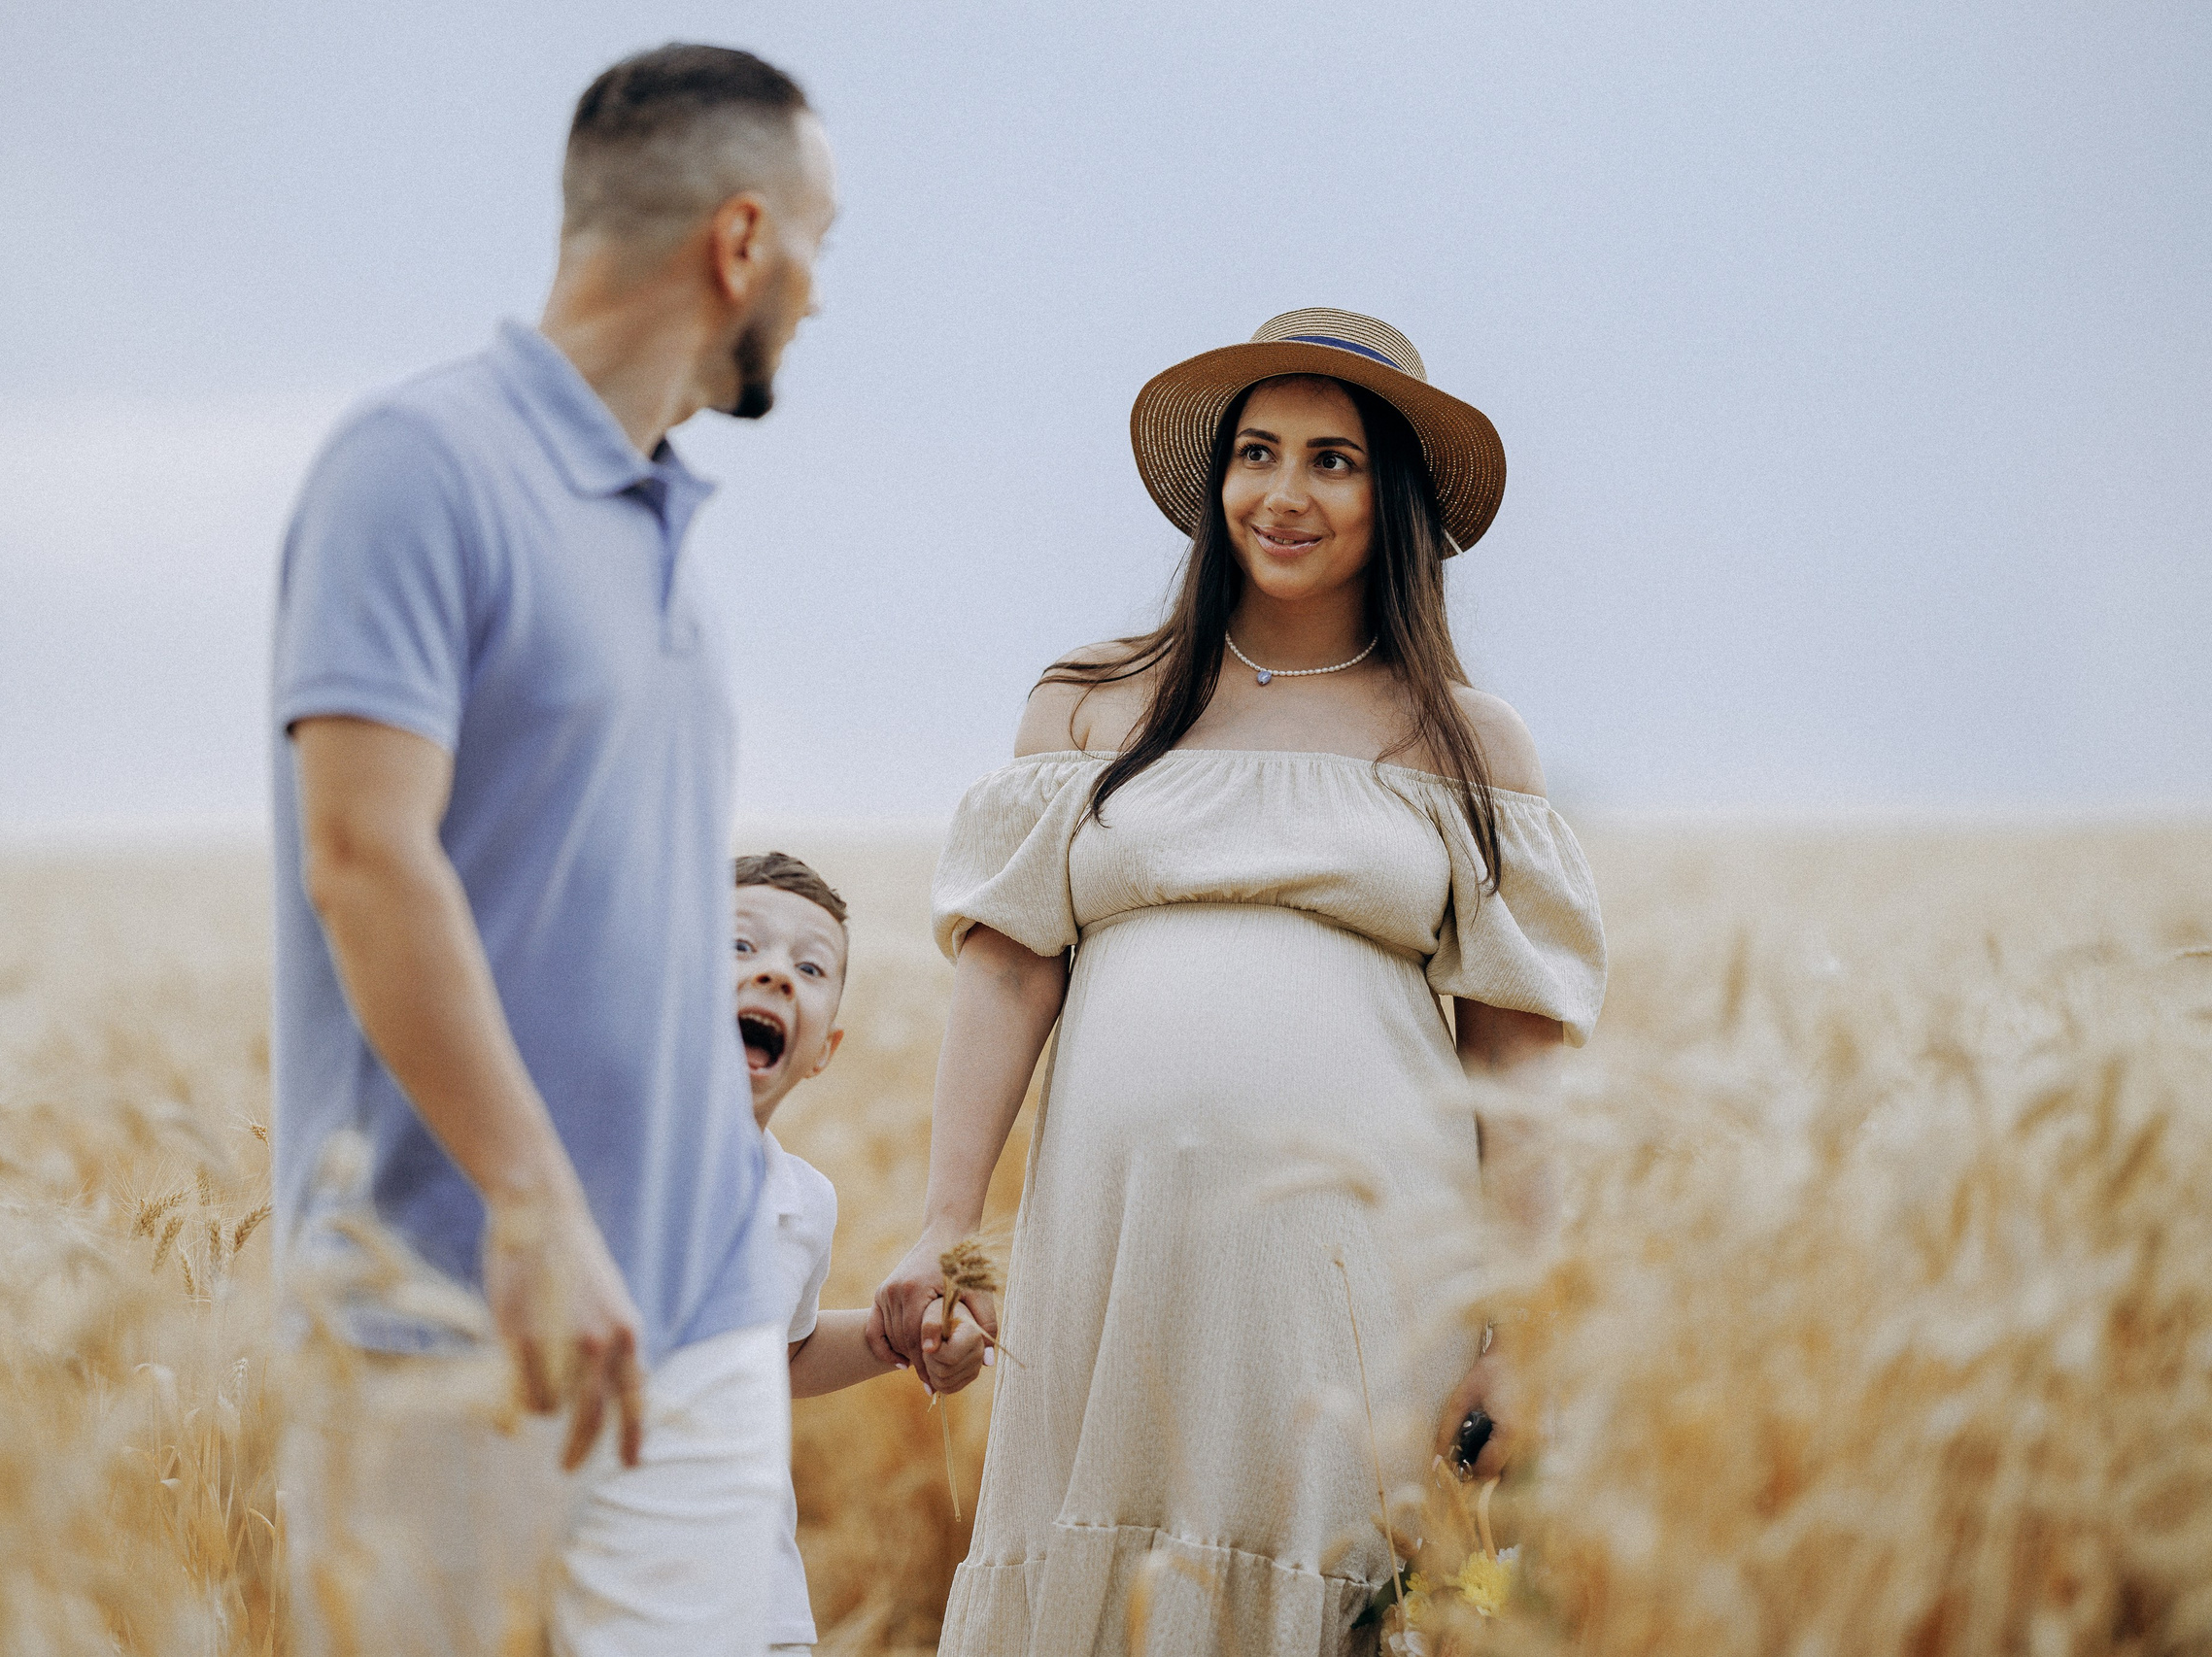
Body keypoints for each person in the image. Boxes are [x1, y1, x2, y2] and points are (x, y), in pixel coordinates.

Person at [868, 310, 1608, 1656]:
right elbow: (1006, 975)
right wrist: (942, 1221)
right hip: (1117, 1240)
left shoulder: (1464, 736)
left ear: (1395, 501)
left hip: (1356, 1265)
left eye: (1334, 460)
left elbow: (1517, 1057)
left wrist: (1525, 1321)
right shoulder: (1090, 704)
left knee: (1352, 1570)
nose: (1284, 492)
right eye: (1257, 452)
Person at [267, 44, 838, 1657]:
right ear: (740, 241)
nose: (818, 291)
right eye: (819, 242)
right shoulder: (418, 470)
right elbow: (364, 856)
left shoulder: (672, 529)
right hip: (447, 1315)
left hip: (708, 1322)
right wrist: (533, 1206)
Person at [731, 851, 990, 1654]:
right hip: (601, 1567)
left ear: (824, 1051)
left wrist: (890, 1342)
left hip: (750, 1593)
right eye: (741, 947)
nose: (776, 974)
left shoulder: (804, 1202)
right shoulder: (594, 1162)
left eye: (809, 966)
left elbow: (780, 1355)